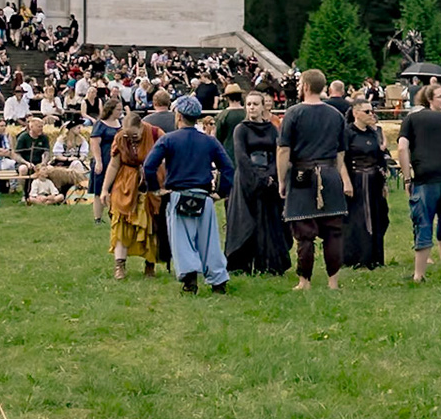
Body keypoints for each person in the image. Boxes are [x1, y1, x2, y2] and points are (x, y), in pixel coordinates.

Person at [140, 97, 235, 296]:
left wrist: (155, 189)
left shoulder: (168, 140)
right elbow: (228, 167)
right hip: (204, 196)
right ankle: (218, 281)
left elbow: (149, 165)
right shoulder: (209, 141)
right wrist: (221, 192)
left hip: (178, 195)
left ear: (179, 116)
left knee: (182, 241)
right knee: (209, 242)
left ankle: (190, 279)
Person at [277, 71, 352, 291]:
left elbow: (283, 150)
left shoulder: (293, 113)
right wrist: (335, 174)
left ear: (306, 86)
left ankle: (305, 281)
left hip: (302, 173)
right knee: (333, 231)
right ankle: (333, 282)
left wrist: (281, 180)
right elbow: (340, 152)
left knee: (304, 232)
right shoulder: (336, 115)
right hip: (329, 173)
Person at [399, 82, 441, 284]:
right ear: (430, 99)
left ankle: (419, 274)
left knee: (423, 223)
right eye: (440, 96)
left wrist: (407, 177)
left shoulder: (411, 119)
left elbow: (402, 148)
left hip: (426, 177)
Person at [223, 92, 289, 278]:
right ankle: (241, 263)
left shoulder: (272, 129)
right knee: (246, 221)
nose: (252, 107)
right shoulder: (241, 129)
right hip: (246, 179)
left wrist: (270, 175)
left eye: (255, 104)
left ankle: (268, 264)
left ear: (263, 106)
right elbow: (241, 156)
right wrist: (258, 178)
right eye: (249, 104)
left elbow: (277, 153)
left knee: (269, 221)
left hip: (269, 179)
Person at [103, 113, 158, 280]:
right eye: (127, 135)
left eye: (134, 135)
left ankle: (150, 265)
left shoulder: (155, 134)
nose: (131, 139)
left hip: (150, 183)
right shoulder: (120, 137)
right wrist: (105, 189)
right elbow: (114, 164)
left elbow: (167, 159)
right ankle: (119, 265)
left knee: (150, 224)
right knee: (121, 222)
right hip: (125, 183)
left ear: (141, 127)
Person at [341, 98, 392, 271]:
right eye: (367, 111)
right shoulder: (348, 133)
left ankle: (375, 257)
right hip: (356, 180)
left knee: (378, 217)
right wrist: (346, 181)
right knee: (359, 219)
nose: (371, 114)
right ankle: (357, 257)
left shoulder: (373, 133)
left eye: (372, 111)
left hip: (374, 181)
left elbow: (379, 158)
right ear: (356, 113)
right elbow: (340, 159)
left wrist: (383, 183)